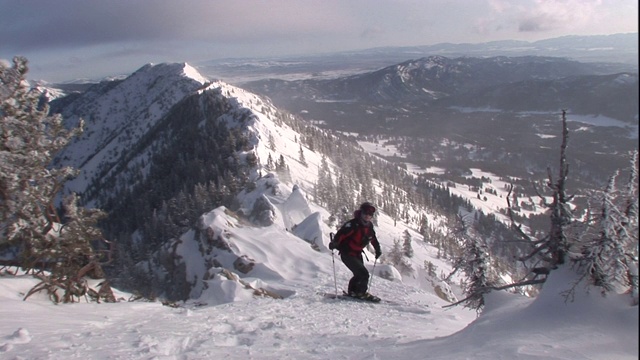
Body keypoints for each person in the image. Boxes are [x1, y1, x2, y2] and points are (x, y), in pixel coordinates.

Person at [329, 202, 382, 300]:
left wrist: (377, 249)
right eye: (365, 213)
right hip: (347, 253)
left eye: (370, 214)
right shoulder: (353, 224)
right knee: (363, 274)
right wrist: (335, 243)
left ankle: (353, 292)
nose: (367, 216)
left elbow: (373, 238)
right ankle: (361, 293)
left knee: (359, 274)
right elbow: (341, 234)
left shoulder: (369, 226)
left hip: (357, 253)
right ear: (361, 213)